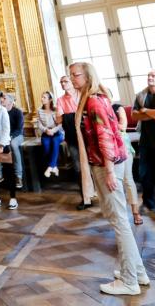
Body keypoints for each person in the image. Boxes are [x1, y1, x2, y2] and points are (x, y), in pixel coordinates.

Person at [70, 61, 148, 296]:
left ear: (87, 76)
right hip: (114, 161)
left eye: (76, 75)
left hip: (108, 165)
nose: (73, 79)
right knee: (121, 220)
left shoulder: (93, 101)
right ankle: (138, 271)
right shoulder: (98, 96)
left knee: (119, 222)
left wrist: (109, 170)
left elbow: (104, 136)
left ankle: (129, 281)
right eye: (71, 75)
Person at [132, 69, 155, 214]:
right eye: (148, 75)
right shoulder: (141, 95)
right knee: (144, 172)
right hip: (146, 139)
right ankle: (149, 203)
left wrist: (145, 110)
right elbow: (135, 115)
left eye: (153, 75)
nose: (150, 77)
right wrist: (154, 113)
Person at [56, 74, 88, 209]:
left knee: (94, 165)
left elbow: (87, 113)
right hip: (72, 137)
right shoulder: (60, 99)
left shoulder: (82, 94)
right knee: (77, 167)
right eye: (61, 82)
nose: (63, 84)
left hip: (87, 135)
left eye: (65, 81)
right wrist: (75, 115)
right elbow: (58, 119)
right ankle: (85, 198)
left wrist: (68, 115)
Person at [112, 103, 143, 226]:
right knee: (115, 182)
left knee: (128, 179)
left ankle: (135, 212)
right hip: (108, 149)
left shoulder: (118, 108)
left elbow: (123, 127)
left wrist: (107, 123)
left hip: (123, 146)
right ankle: (120, 214)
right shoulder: (98, 110)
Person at [37, 91, 64, 179]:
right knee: (46, 146)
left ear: (50, 100)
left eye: (44, 97)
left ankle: (50, 167)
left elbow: (61, 124)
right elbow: (39, 124)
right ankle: (54, 166)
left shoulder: (56, 109)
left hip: (57, 132)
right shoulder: (39, 110)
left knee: (55, 141)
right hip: (46, 133)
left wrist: (53, 130)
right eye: (42, 97)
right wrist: (46, 130)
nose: (42, 99)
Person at [2, 94, 25, 189]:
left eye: (4, 98)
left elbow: (19, 129)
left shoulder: (17, 112)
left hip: (17, 136)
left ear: (10, 102)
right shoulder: (1, 112)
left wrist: (10, 136)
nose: (2, 100)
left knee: (13, 145)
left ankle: (19, 176)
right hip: (5, 136)